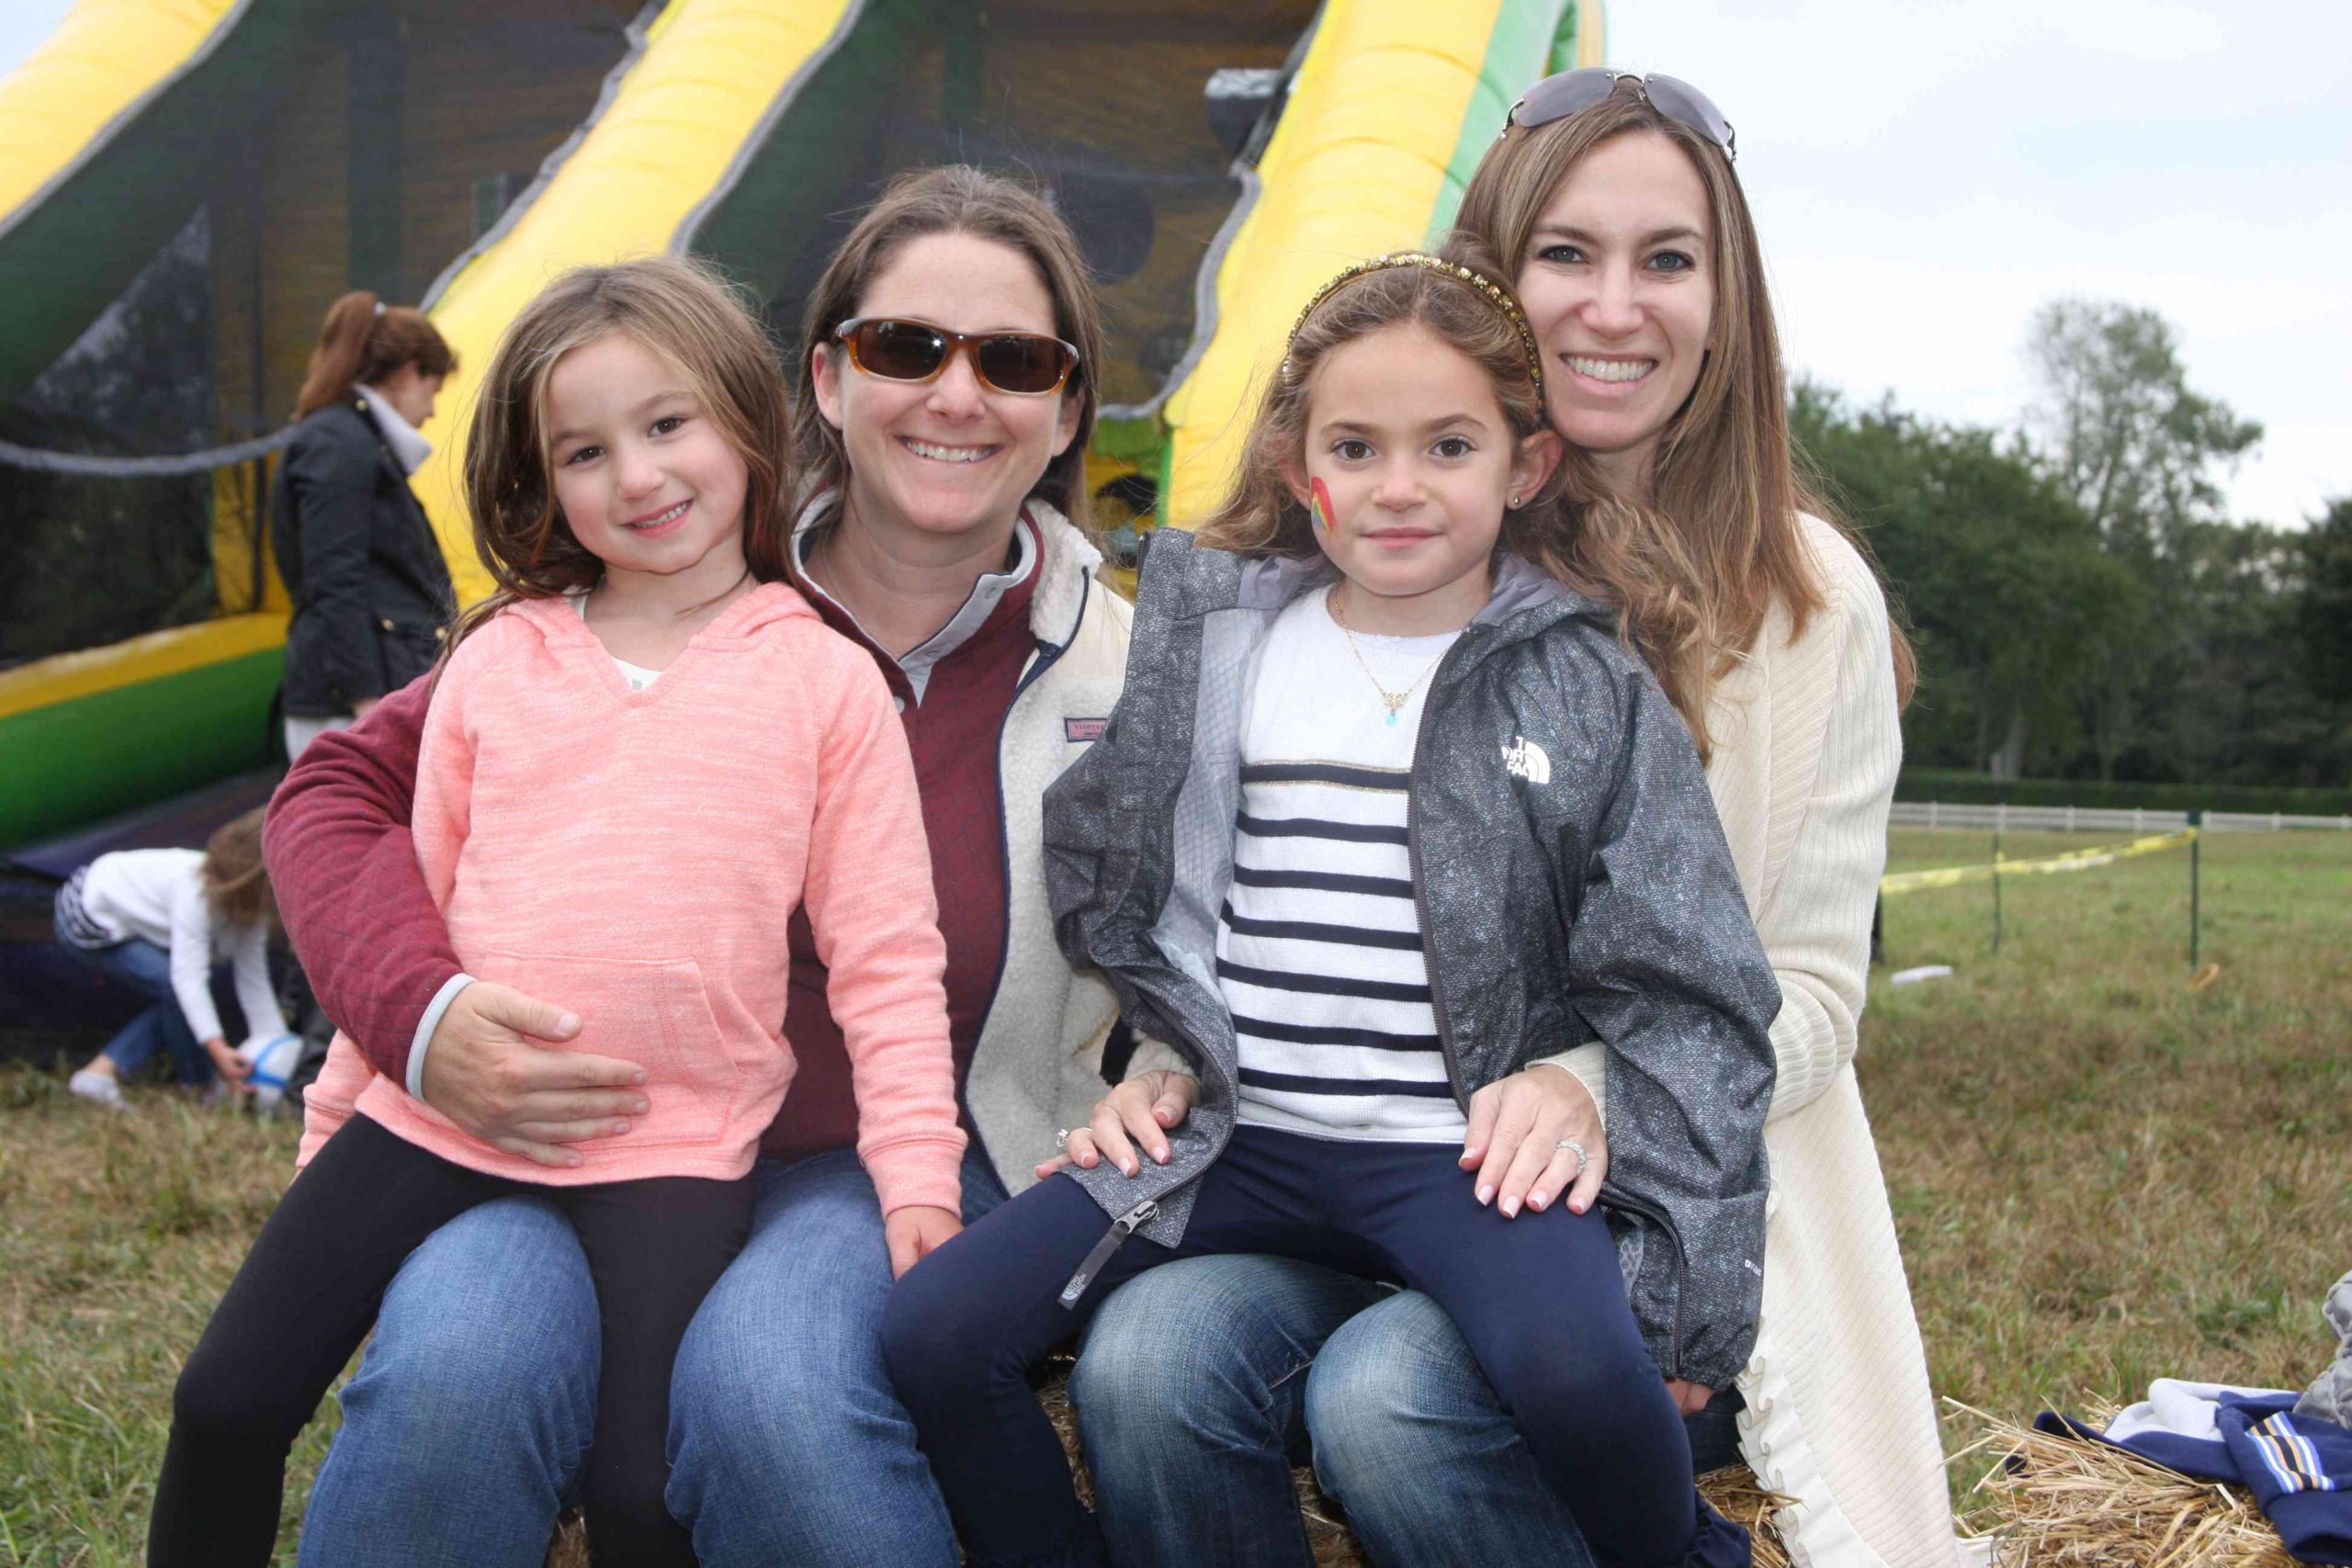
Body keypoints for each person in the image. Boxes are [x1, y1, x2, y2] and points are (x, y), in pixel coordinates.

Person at [1070, 71, 1971, 1567]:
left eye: (1667, 259)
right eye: (1566, 253)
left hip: (1625, 1223)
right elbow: (1215, 896)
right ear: (1489, 273)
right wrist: (1170, 1058)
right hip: (1322, 1179)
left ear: (1726, 302)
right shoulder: (1345, 551)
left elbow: (1813, 994)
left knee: (1394, 1399)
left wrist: (1591, 1084)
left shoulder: (1804, 601)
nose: (1615, 306)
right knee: (1147, 1359)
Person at [260, 166, 1147, 1565]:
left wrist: (1175, 1067)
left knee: (768, 1388)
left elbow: (1244, 928)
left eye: (1014, 361)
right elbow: (334, 791)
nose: (956, 394)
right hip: (586, 1127)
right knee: (456, 1366)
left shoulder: (1138, 677)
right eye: (905, 346)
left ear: (1070, 407)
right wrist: (423, 1014)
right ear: (825, 379)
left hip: (890, 1163)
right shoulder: (659, 587)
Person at [880, 250, 1775, 1568]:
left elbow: (1691, 980)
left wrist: (1692, 1287)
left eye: (1448, 446)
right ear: (1302, 465)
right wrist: (1163, 1050)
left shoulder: (1588, 681)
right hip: (1240, 1141)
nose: (1397, 486)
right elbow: (1127, 874)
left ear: (1526, 466)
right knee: (931, 1336)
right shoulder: (1223, 646)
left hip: (1456, 1159)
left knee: (1584, 1378)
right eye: (1356, 447)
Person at [148, 256, 967, 1568]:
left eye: (668, 424)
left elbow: (885, 958)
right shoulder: (499, 658)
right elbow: (416, 902)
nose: (636, 477)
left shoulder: (827, 682)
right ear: (543, 480)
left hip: (672, 1147)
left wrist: (918, 1175)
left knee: (643, 1496)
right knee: (224, 1401)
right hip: (433, 1122)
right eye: (585, 451)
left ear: (745, 418)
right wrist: (335, 1126)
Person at [271, 291, 458, 761]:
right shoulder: (340, 443)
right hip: (352, 710)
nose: (431, 411)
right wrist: (367, 705)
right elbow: (334, 579)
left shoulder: (350, 441)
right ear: (407, 372)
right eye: (432, 391)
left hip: (363, 700)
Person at [55, 807, 280, 1106]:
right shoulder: (195, 892)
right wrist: (219, 1052)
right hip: (89, 912)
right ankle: (199, 1087)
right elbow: (188, 979)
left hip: (139, 922)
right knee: (177, 990)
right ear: (252, 878)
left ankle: (98, 1073)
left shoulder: (252, 911)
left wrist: (277, 1044)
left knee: (180, 995)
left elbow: (254, 981)